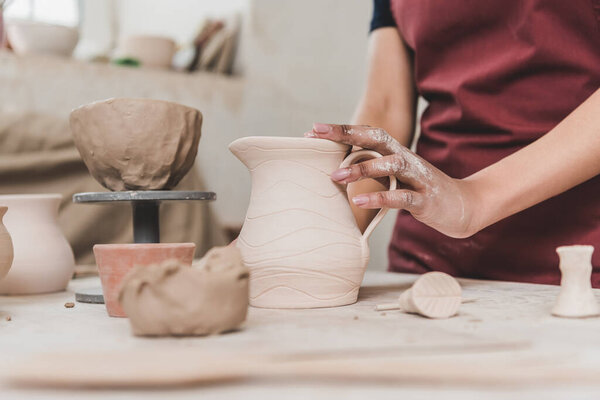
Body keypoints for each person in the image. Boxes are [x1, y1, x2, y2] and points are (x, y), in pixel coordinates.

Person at [305, 0, 600, 285]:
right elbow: (386, 107)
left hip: (576, 263)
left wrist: (475, 199)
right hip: (428, 264)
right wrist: (329, 243)